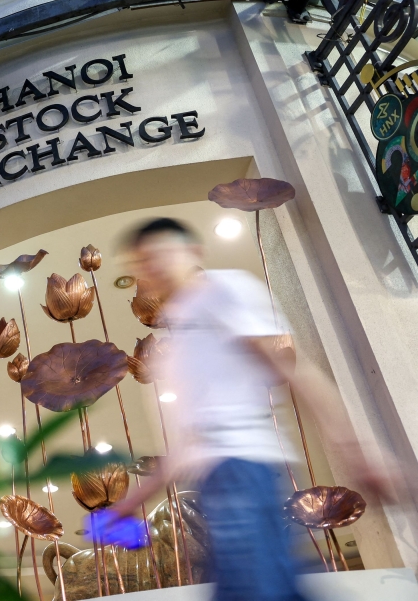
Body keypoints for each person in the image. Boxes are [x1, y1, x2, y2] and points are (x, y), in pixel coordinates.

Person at [94, 217, 396, 600]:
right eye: (142, 261)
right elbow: (188, 443)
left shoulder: (224, 291)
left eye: (163, 253)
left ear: (192, 252)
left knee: (251, 591)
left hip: (244, 467)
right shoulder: (175, 349)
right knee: (273, 588)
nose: (153, 267)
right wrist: (134, 501)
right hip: (211, 482)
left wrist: (357, 451)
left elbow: (292, 372)